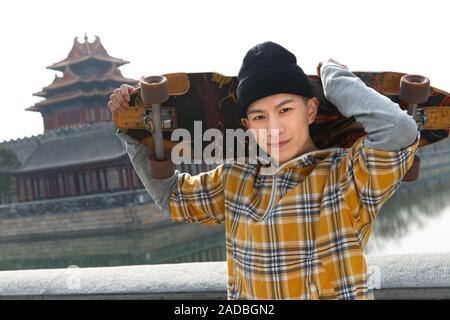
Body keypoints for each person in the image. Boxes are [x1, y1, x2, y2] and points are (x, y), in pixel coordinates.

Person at [109, 41, 419, 300]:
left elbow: (399, 131)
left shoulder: (348, 176)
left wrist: (334, 77)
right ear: (247, 126)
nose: (274, 127)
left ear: (310, 110)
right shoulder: (235, 179)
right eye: (259, 117)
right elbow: (171, 196)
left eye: (285, 110)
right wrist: (131, 129)